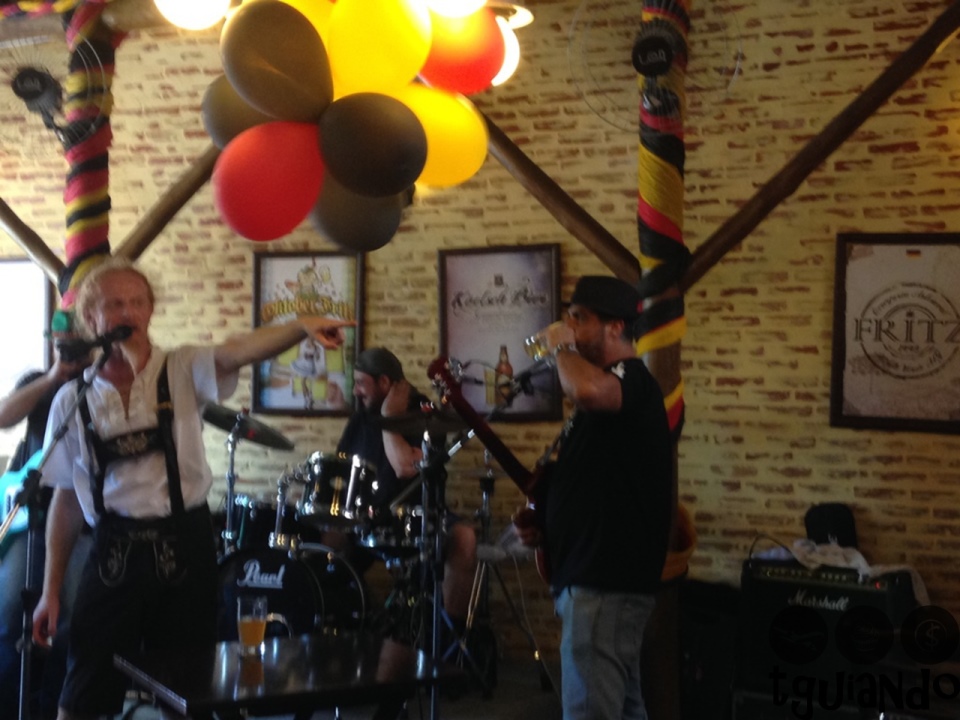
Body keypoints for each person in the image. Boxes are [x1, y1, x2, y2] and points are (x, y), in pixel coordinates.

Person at [30, 257, 352, 720]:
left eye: (137, 302)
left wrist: (301, 327)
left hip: (186, 546)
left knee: (189, 693)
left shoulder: (181, 368)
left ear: (150, 311)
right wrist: (51, 590)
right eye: (115, 304)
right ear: (91, 317)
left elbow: (237, 351)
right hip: (113, 553)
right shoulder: (71, 398)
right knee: (81, 693)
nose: (128, 312)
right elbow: (65, 498)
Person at [513, 275, 673, 720]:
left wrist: (561, 347)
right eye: (569, 319)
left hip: (605, 582)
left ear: (616, 327)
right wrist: (544, 521)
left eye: (579, 319)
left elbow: (587, 390)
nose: (569, 328)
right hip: (593, 580)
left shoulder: (631, 380)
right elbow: (596, 479)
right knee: (623, 710)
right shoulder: (600, 402)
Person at [336, 347, 477, 627]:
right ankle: (335, 623)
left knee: (464, 537)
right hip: (369, 516)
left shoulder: (425, 415)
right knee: (328, 532)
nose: (355, 391)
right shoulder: (360, 419)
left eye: (361, 383)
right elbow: (342, 468)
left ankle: (451, 634)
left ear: (384, 382)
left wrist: (389, 418)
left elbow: (404, 466)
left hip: (420, 517)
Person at [0, 310, 93, 719]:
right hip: (27, 517)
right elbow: (4, 416)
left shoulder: (100, 384)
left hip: (76, 519)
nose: (68, 350)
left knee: (65, 621)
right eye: (61, 344)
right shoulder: (39, 380)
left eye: (76, 344)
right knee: (8, 615)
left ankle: (51, 707)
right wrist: (54, 376)